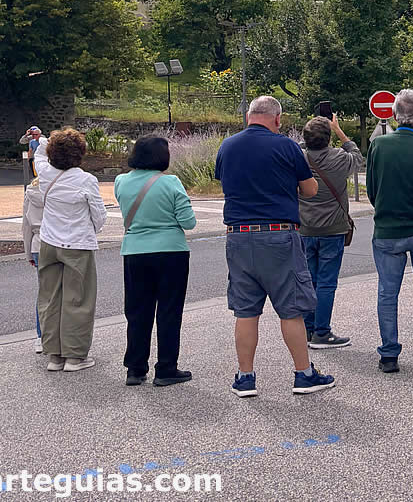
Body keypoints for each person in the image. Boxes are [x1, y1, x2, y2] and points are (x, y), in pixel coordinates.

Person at [215, 94, 333, 397]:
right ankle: (304, 374)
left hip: (238, 235)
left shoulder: (227, 146)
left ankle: (245, 377)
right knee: (291, 309)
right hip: (278, 233)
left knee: (245, 310)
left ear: (249, 115)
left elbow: (225, 183)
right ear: (277, 119)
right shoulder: (286, 146)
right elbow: (309, 189)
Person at [365, 88, 413, 373]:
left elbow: (372, 190)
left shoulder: (379, 146)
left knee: (387, 292)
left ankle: (389, 354)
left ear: (395, 115)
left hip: (388, 230)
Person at [114, 134, 197, 387]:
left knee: (137, 311)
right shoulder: (171, 183)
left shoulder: (121, 182)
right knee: (169, 311)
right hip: (171, 251)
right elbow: (189, 222)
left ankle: (135, 368)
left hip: (134, 251)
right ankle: (166, 368)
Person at [35, 130, 107, 372]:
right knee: (78, 299)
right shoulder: (86, 180)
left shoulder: (45, 173)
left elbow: (38, 153)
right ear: (80, 153)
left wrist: (43, 138)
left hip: (48, 242)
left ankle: (54, 355)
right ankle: (75, 356)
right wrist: (89, 229)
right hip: (77, 243)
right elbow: (99, 216)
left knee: (49, 298)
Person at [299, 113, 361, 350]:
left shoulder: (299, 158)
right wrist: (338, 130)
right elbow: (357, 156)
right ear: (329, 139)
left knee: (308, 280)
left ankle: (307, 328)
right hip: (333, 229)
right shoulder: (339, 158)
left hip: (305, 228)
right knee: (326, 282)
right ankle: (322, 333)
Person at [21, 176, 45, 353]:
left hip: (37, 242)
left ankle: (40, 336)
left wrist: (28, 252)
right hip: (58, 240)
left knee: (43, 293)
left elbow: (26, 225)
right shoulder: (59, 187)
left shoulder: (31, 191)